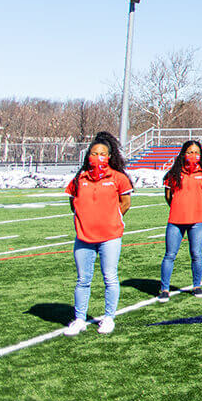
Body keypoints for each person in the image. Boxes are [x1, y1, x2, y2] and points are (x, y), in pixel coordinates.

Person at [63, 132, 133, 336]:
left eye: (102, 154)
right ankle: (79, 319)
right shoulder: (79, 178)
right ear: (88, 156)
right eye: (94, 153)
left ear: (109, 156)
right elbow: (72, 203)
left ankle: (109, 317)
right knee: (83, 279)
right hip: (84, 237)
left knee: (109, 277)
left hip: (110, 237)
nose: (98, 157)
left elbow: (125, 203)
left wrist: (110, 218)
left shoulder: (118, 178)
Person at [159, 141, 202, 301]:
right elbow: (168, 195)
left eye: (196, 152)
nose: (193, 156)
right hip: (176, 219)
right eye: (190, 152)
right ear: (183, 153)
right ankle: (164, 288)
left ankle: (197, 286)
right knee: (170, 254)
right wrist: (178, 206)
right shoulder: (174, 172)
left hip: (198, 220)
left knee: (196, 254)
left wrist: (197, 204)